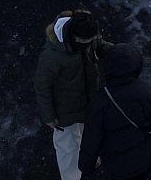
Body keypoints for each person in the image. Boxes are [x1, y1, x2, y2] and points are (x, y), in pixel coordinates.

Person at [77, 44, 151, 180]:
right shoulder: (148, 93)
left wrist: (86, 166)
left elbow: (91, 139)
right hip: (144, 157)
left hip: (116, 163)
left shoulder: (99, 102)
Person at [35, 10, 111, 180]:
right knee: (67, 146)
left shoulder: (86, 33)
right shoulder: (51, 57)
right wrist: (49, 115)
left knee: (88, 133)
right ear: (74, 38)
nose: (90, 45)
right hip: (64, 110)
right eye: (85, 42)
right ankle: (71, 177)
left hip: (87, 101)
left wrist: (117, 52)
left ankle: (88, 159)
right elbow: (42, 86)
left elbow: (98, 44)